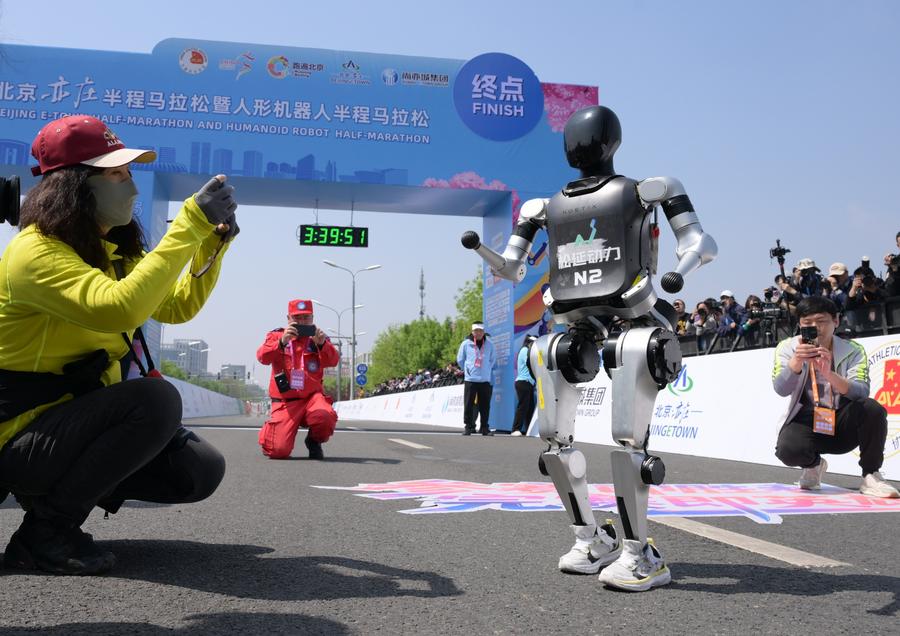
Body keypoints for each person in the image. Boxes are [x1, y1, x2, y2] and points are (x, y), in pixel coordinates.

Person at [0, 115, 237, 575]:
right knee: (154, 400)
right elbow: (120, 309)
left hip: (67, 425)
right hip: (15, 431)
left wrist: (211, 245)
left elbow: (175, 306)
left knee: (198, 469)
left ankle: (69, 489)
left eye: (129, 173)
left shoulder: (112, 250)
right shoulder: (36, 252)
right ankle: (46, 532)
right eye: (116, 174)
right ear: (74, 185)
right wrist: (188, 223)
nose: (130, 187)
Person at [772, 296, 898, 498]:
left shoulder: (852, 350)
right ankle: (813, 465)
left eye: (822, 321)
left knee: (872, 408)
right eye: (807, 323)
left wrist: (830, 374)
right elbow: (780, 389)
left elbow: (861, 392)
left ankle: (871, 475)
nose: (816, 328)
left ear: (836, 321)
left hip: (842, 419)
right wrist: (795, 362)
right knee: (788, 449)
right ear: (799, 325)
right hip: (807, 419)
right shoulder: (788, 348)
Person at [257, 299, 340, 460]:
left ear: (312, 318)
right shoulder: (276, 336)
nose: (302, 322)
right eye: (297, 318)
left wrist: (322, 344)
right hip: (285, 402)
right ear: (288, 318)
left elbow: (333, 361)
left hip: (312, 399)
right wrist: (282, 342)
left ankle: (314, 441)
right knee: (278, 451)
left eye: (306, 318)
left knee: (325, 416)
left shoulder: (319, 338)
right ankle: (275, 431)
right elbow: (262, 357)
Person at [456, 322, 497, 436]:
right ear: (472, 332)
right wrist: (468, 369)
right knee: (468, 404)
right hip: (471, 379)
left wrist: (487, 369)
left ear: (483, 332)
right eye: (476, 331)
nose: (478, 333)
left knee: (485, 405)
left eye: (480, 331)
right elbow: (460, 359)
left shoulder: (490, 344)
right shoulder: (466, 344)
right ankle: (468, 427)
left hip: (485, 379)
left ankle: (484, 428)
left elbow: (493, 359)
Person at [511, 335, 537, 436]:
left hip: (527, 383)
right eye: (533, 343)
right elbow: (532, 364)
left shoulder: (526, 350)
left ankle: (528, 429)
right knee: (523, 407)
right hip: (524, 382)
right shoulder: (525, 350)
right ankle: (515, 429)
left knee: (529, 407)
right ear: (529, 342)